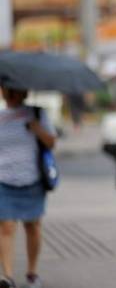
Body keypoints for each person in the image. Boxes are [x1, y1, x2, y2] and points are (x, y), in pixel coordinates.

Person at [0, 87, 57, 288]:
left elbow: (51, 142)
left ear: (23, 92)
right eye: (7, 91)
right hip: (4, 179)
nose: (10, 95)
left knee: (32, 226)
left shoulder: (37, 113)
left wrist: (36, 128)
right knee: (6, 227)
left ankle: (32, 272)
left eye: (14, 91)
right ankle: (7, 276)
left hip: (31, 178)